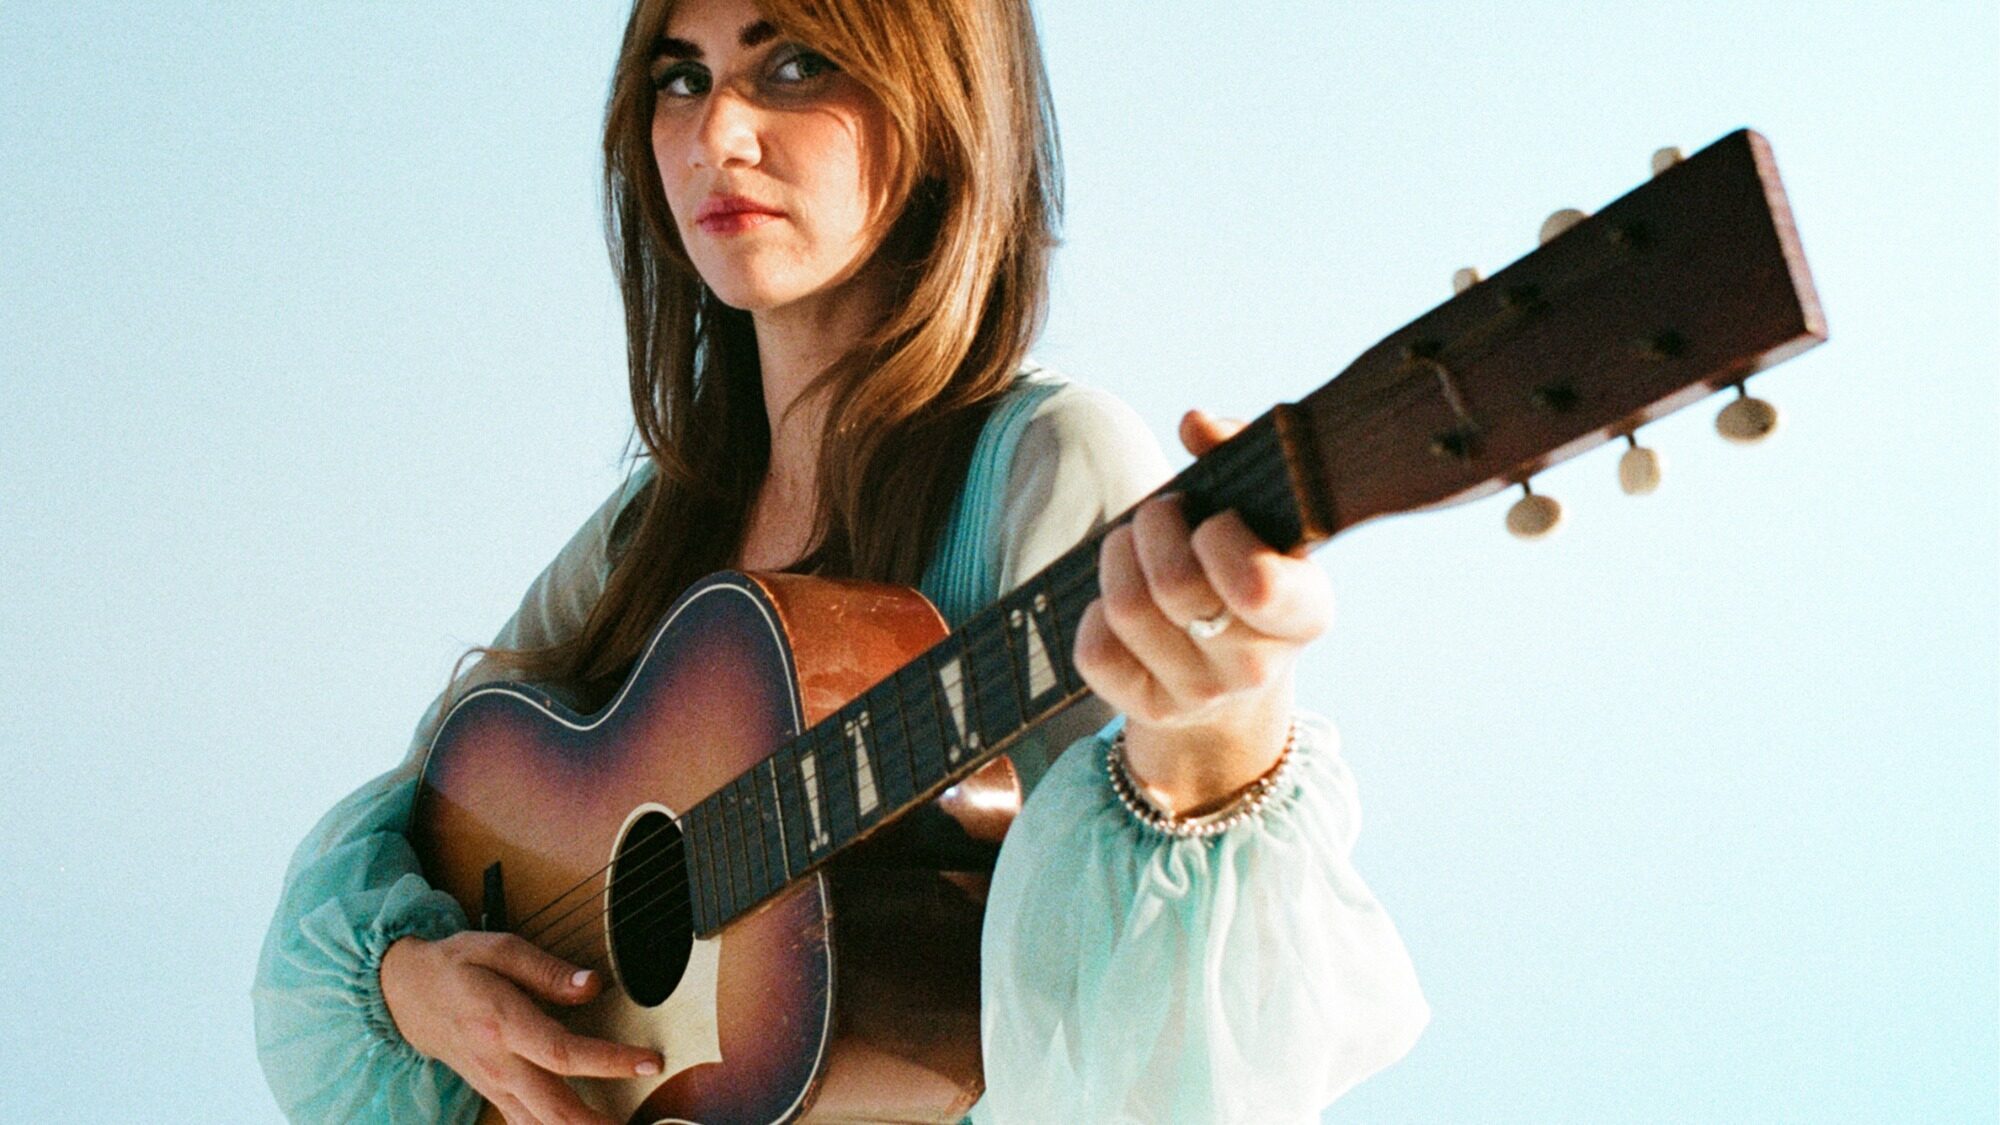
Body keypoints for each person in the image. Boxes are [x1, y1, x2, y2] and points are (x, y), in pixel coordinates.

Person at [251, 0, 1430, 1120]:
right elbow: (403, 839)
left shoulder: (1048, 462)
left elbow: (1142, 1073)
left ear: (939, 108)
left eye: (794, 65)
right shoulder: (645, 532)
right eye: (681, 77)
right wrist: (410, 983)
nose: (716, 134)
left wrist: (1216, 744)